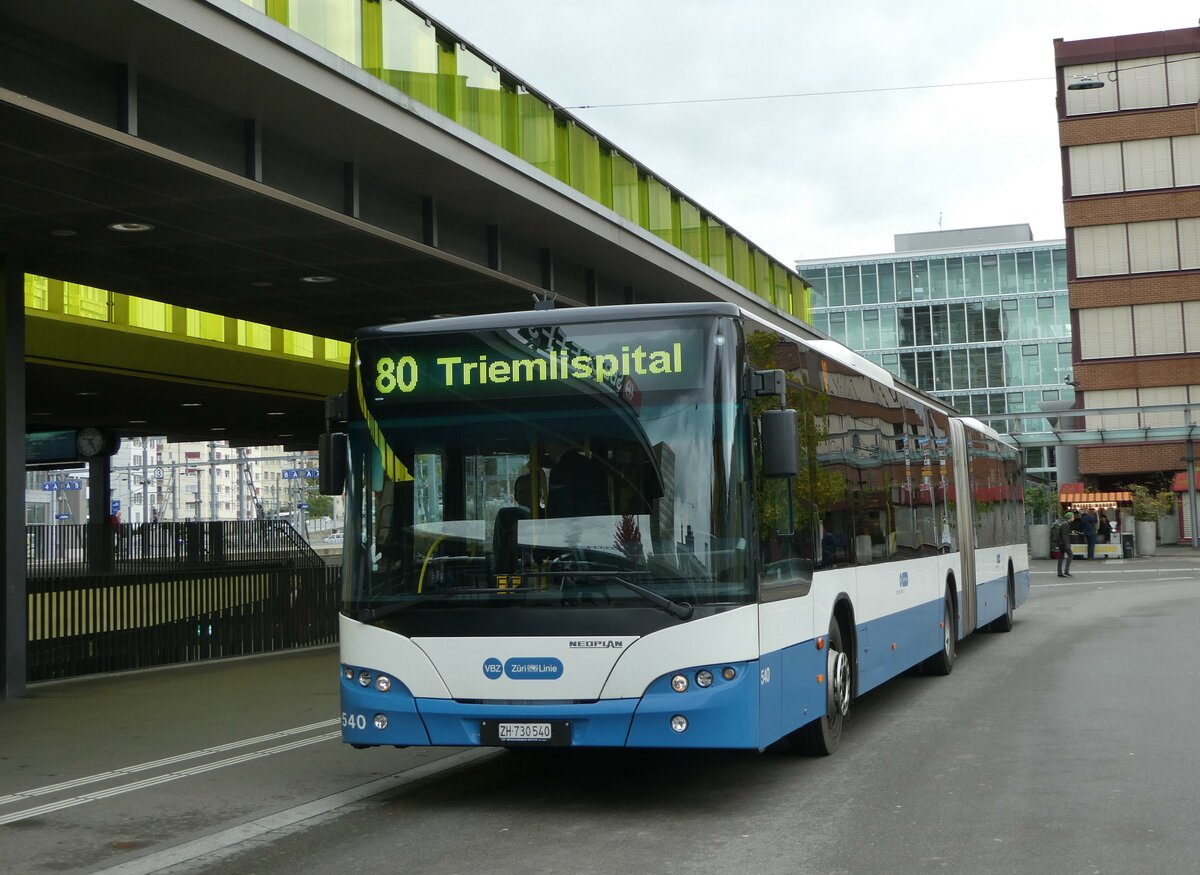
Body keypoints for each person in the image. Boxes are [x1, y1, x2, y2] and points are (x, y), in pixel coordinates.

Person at [1053, 510, 1074, 578]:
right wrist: (1067, 545)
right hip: (1063, 543)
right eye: (1072, 517)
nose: (1073, 518)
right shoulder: (1065, 524)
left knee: (1061, 557)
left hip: (1060, 543)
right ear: (1070, 517)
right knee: (1070, 555)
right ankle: (1066, 571)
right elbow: (1065, 536)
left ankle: (1060, 572)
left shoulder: (1064, 523)